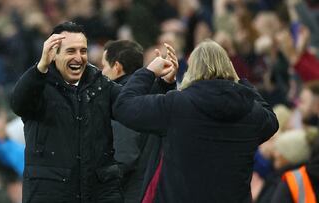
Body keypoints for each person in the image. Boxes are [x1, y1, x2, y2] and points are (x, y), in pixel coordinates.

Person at [10, 21, 177, 203]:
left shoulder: (99, 84)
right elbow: (19, 104)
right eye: (71, 51)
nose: (79, 57)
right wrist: (40, 67)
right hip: (50, 194)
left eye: (83, 50)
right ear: (53, 54)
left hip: (99, 194)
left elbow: (131, 106)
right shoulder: (38, 85)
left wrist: (162, 83)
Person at [113, 39, 279, 202]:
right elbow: (272, 121)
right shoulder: (250, 110)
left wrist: (148, 72)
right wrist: (241, 81)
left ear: (191, 69)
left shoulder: (177, 105)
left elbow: (124, 106)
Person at [101, 40, 177, 202]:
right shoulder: (155, 94)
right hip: (151, 189)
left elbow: (124, 155)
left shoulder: (122, 100)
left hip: (129, 192)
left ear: (117, 67)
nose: (102, 72)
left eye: (104, 66)